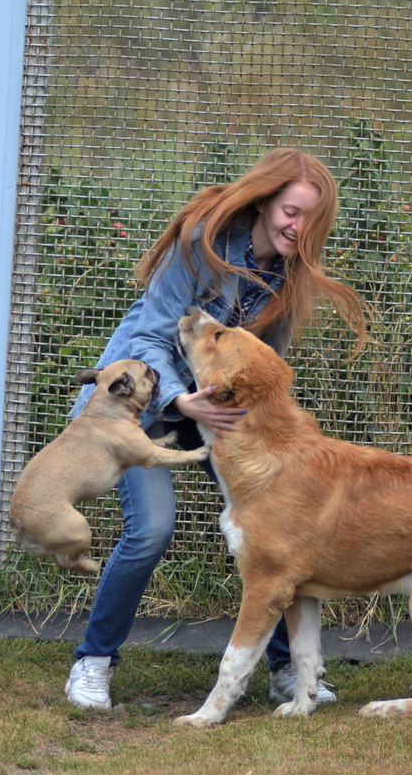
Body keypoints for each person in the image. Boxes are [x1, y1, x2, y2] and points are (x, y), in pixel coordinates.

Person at [62, 148, 370, 710]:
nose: (298, 229)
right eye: (291, 212)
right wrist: (184, 402)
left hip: (220, 418)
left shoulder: (291, 277)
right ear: (264, 202)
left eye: (311, 220)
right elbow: (150, 340)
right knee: (152, 529)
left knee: (278, 527)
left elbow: (261, 369)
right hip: (140, 408)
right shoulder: (200, 246)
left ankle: (286, 671)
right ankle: (93, 662)